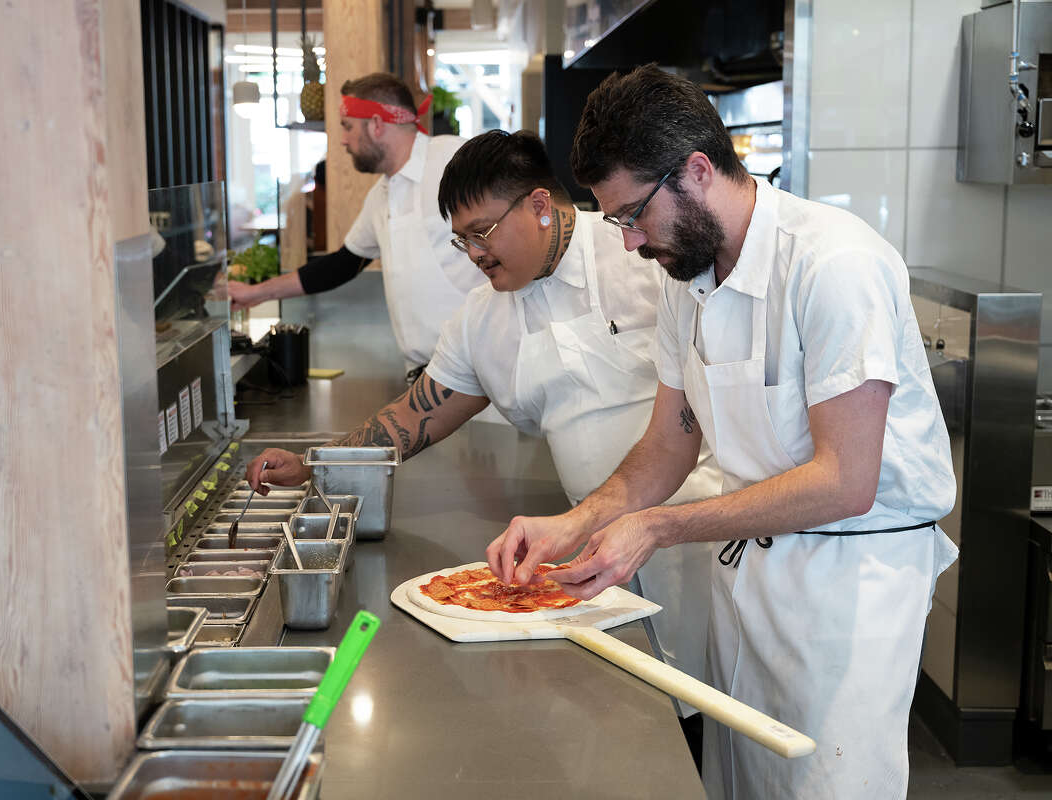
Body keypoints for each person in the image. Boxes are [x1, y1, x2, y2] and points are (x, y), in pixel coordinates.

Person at [486, 65, 958, 799]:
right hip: (748, 582)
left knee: (826, 784)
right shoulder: (689, 280)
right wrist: (570, 525)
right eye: (616, 222)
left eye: (634, 215)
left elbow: (845, 480)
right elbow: (666, 448)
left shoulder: (834, 264)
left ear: (697, 171)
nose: (631, 243)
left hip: (847, 595)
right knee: (739, 782)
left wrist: (659, 528)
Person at [247, 129, 721, 699]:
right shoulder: (481, 319)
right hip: (581, 543)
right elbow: (413, 417)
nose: (474, 254)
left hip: (697, 539)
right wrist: (311, 464)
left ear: (541, 206)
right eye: (461, 240)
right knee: (637, 707)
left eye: (482, 232)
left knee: (708, 707)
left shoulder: (640, 256)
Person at [228, 72, 486, 382]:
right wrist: (255, 293)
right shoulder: (380, 196)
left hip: (482, 369)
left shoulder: (454, 159)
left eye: (347, 126)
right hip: (426, 376)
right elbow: (342, 265)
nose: (343, 140)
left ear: (377, 124)